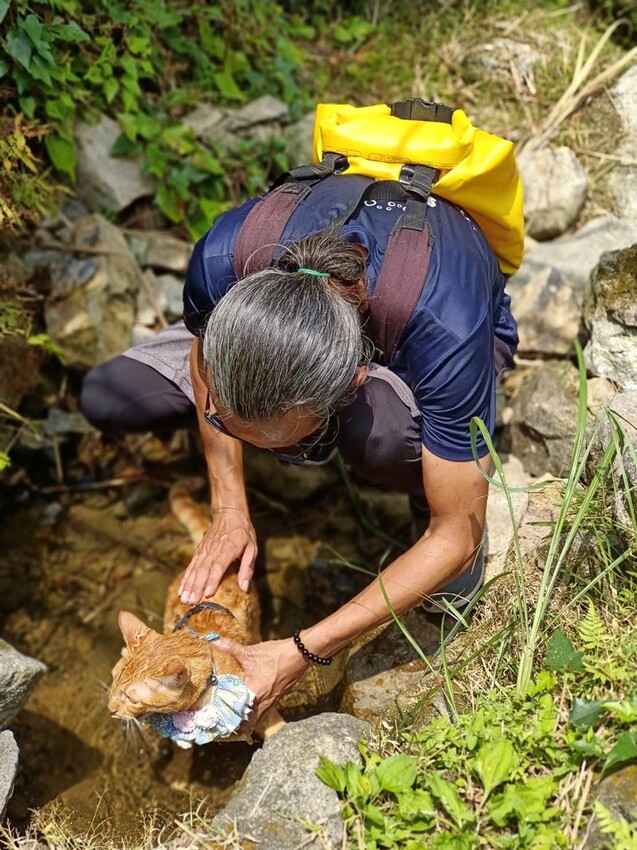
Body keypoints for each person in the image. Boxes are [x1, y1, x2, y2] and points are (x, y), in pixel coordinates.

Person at [81, 170, 518, 727]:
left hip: (425, 325)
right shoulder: (221, 258)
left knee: (385, 441)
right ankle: (260, 403)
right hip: (266, 316)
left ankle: (399, 477)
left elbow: (457, 534)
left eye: (286, 442)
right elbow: (200, 356)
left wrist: (304, 649)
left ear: (350, 383)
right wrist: (228, 506)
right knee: (109, 396)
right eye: (225, 418)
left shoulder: (448, 332)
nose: (257, 446)